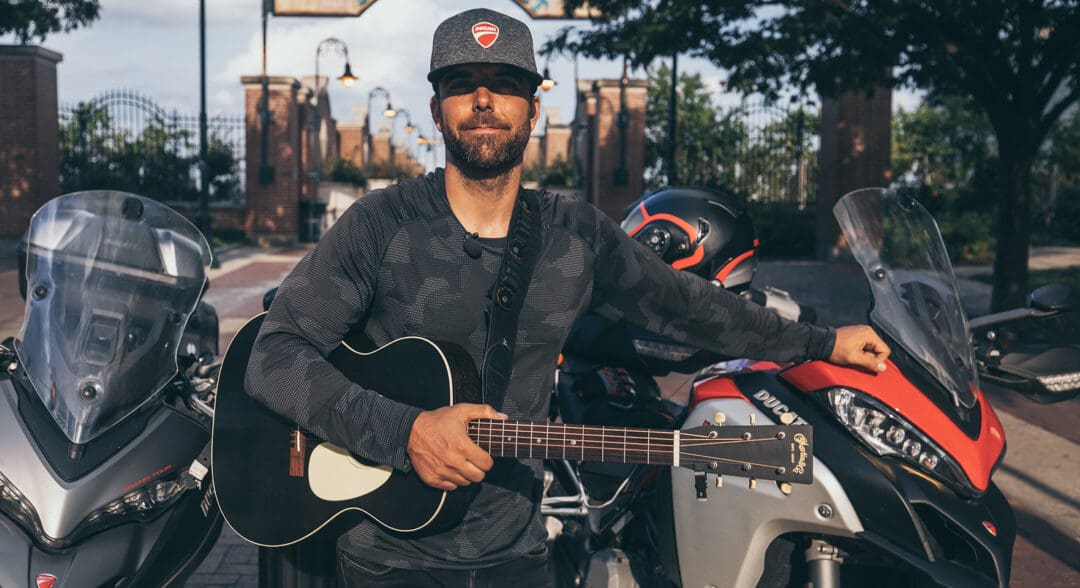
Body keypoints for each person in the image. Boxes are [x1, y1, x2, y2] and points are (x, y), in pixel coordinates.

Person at [245, 7, 890, 587]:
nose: (483, 99)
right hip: (384, 558)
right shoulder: (378, 224)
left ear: (534, 107)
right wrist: (404, 431)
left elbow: (691, 309)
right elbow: (273, 356)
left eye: (504, 84)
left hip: (515, 557)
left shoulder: (575, 234)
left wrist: (822, 342)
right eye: (462, 83)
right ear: (437, 106)